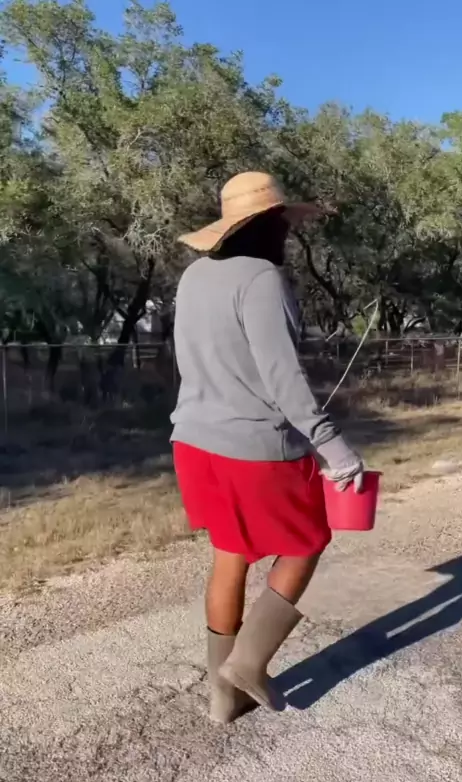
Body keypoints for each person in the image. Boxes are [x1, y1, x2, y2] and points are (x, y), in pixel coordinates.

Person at [171, 171, 364, 724]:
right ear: (267, 224)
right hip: (253, 447)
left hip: (193, 442)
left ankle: (222, 698)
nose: (288, 231)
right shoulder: (261, 279)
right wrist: (333, 447)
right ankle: (248, 663)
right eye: (283, 222)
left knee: (230, 554)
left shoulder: (193, 276)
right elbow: (282, 379)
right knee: (309, 539)